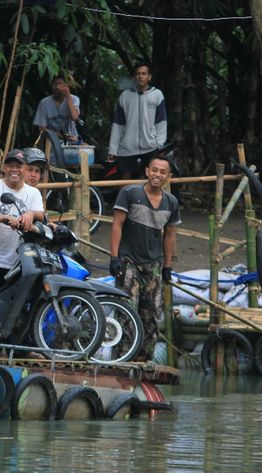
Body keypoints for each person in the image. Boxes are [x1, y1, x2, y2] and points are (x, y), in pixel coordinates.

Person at [109, 157, 180, 360]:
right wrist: (114, 257)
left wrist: (167, 266)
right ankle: (121, 359)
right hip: (128, 261)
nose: (158, 175)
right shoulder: (130, 193)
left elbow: (169, 235)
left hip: (154, 264)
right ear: (147, 171)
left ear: (168, 176)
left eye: (163, 172)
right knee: (126, 312)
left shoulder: (171, 202)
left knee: (150, 315)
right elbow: (117, 224)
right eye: (154, 170)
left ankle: (144, 360)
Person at [0, 149, 44, 290]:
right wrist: (3, 218)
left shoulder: (33, 193)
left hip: (17, 259)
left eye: (19, 166)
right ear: (4, 168)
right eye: (10, 166)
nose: (14, 170)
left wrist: (30, 214)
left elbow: (41, 214)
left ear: (25, 169)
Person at [108, 63, 167, 180]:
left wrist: (159, 143)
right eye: (138, 74)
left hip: (150, 146)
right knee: (125, 177)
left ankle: (145, 199)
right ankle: (124, 199)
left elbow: (161, 121)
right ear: (134, 77)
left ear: (149, 77)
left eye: (144, 74)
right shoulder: (125, 96)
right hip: (127, 147)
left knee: (148, 177)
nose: (141, 77)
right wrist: (113, 149)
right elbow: (118, 124)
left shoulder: (157, 95)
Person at [33, 75, 81, 143]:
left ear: (66, 86)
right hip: (51, 143)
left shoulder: (74, 99)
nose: (57, 87)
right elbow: (41, 128)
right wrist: (63, 137)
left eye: (60, 84)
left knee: (86, 150)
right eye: (54, 85)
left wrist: (67, 94)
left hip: (72, 141)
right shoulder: (44, 102)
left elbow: (75, 117)